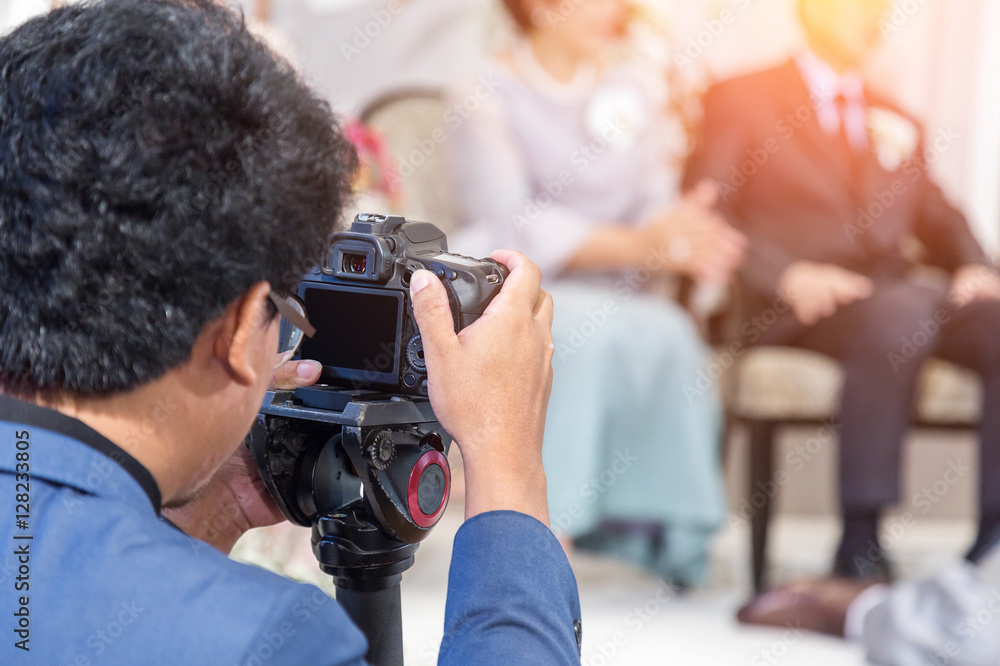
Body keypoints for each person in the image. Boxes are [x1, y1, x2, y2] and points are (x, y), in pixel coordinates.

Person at [0, 2, 581, 664]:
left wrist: (207, 516)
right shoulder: (268, 638)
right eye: (292, 308)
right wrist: (507, 468)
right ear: (237, 331)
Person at [684, 0, 1000, 580]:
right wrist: (785, 275)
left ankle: (991, 543)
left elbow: (940, 217)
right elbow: (709, 212)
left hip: (898, 299)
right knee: (901, 313)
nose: (874, 14)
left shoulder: (896, 116)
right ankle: (860, 540)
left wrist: (976, 267)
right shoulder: (742, 96)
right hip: (794, 306)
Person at [448, 0, 745, 585]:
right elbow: (512, 218)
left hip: (620, 286)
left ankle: (653, 526)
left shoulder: (636, 89)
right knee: (583, 332)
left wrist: (682, 233)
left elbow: (653, 201)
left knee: (672, 332)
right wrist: (639, 246)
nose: (615, 11)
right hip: (518, 281)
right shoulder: (482, 91)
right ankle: (543, 529)